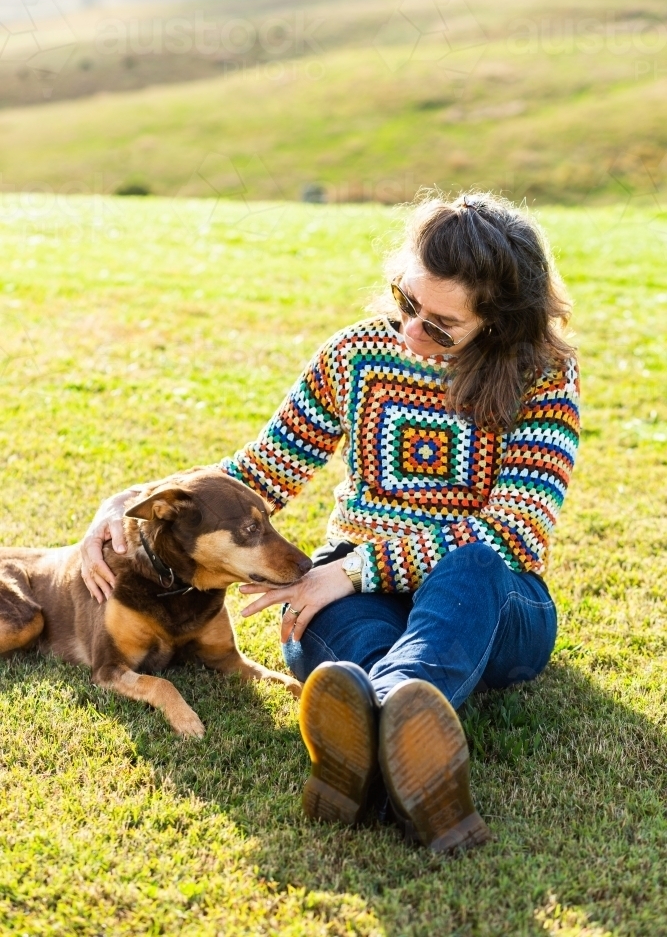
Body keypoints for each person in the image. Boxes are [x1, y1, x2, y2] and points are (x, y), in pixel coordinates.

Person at [82, 192, 580, 853]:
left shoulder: (541, 377)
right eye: (405, 303)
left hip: (487, 603)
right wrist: (130, 503)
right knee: (331, 634)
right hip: (358, 593)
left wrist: (351, 570)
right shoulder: (355, 354)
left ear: (499, 322)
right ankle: (409, 747)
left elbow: (513, 532)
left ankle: (372, 740)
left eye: (440, 325)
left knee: (474, 563)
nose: (410, 331)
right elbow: (260, 471)